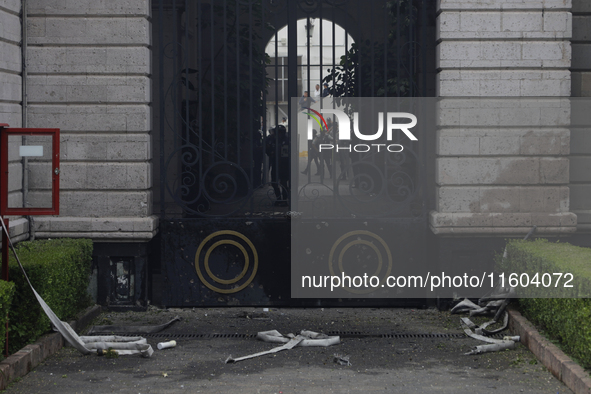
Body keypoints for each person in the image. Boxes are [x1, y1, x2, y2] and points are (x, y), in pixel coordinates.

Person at [266, 125, 290, 206]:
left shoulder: (286, 140)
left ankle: (284, 199)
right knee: (274, 182)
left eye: (279, 132)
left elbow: (285, 154)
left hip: (284, 164)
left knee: (283, 182)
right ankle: (279, 198)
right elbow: (268, 149)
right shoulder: (273, 139)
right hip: (275, 163)